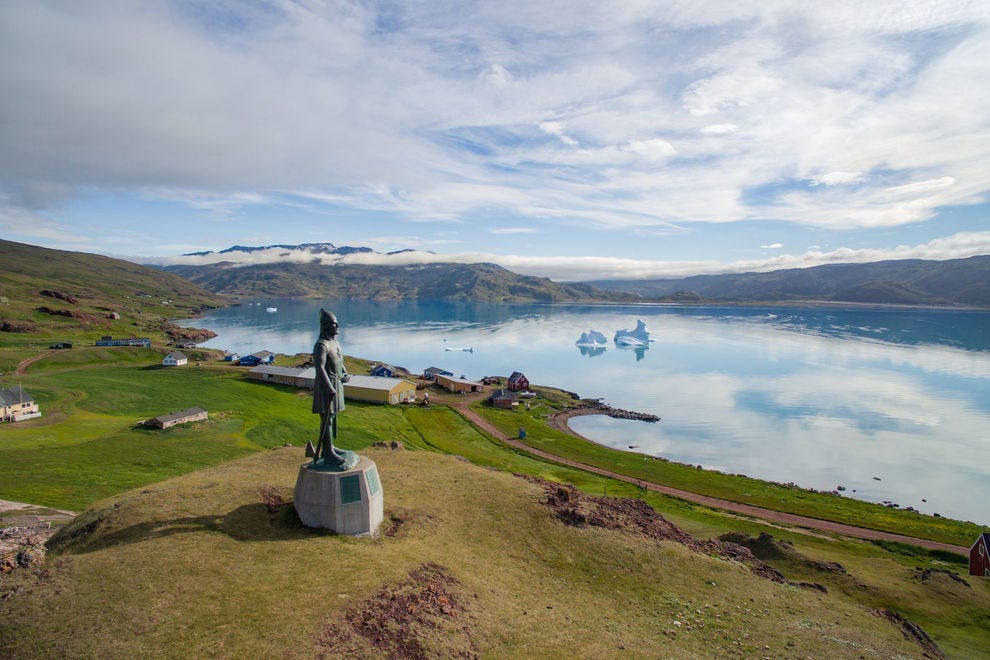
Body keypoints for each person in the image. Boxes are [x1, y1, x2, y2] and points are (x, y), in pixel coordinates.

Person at [311, 309, 349, 466]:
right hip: (326, 386)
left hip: (337, 383)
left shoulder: (335, 343)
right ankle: (328, 453)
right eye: (334, 324)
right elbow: (320, 368)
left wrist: (344, 372)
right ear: (327, 326)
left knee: (332, 418)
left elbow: (339, 361)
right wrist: (329, 388)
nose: (338, 326)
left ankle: (330, 447)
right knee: (326, 419)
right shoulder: (321, 346)